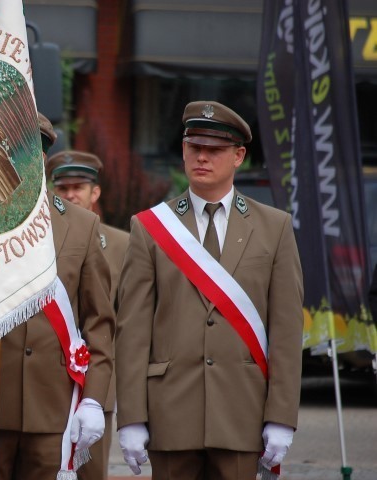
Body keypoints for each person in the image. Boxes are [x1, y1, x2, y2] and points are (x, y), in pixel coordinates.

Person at [116, 100, 304, 480]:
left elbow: (286, 329)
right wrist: (132, 417)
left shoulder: (274, 228)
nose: (202, 157)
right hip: (170, 414)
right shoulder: (150, 228)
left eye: (214, 150)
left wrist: (281, 417)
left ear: (238, 156)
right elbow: (132, 330)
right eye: (194, 147)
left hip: (242, 412)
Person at [0, 114, 116, 480]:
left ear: (41, 159)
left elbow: (99, 323)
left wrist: (93, 398)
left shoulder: (81, 226)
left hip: (50, 409)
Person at [45, 149, 129, 480]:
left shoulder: (123, 245)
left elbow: (124, 321)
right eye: (62, 188)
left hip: (94, 384)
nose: (70, 195)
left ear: (95, 192)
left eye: (78, 187)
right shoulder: (38, 242)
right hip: (47, 381)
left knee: (90, 473)